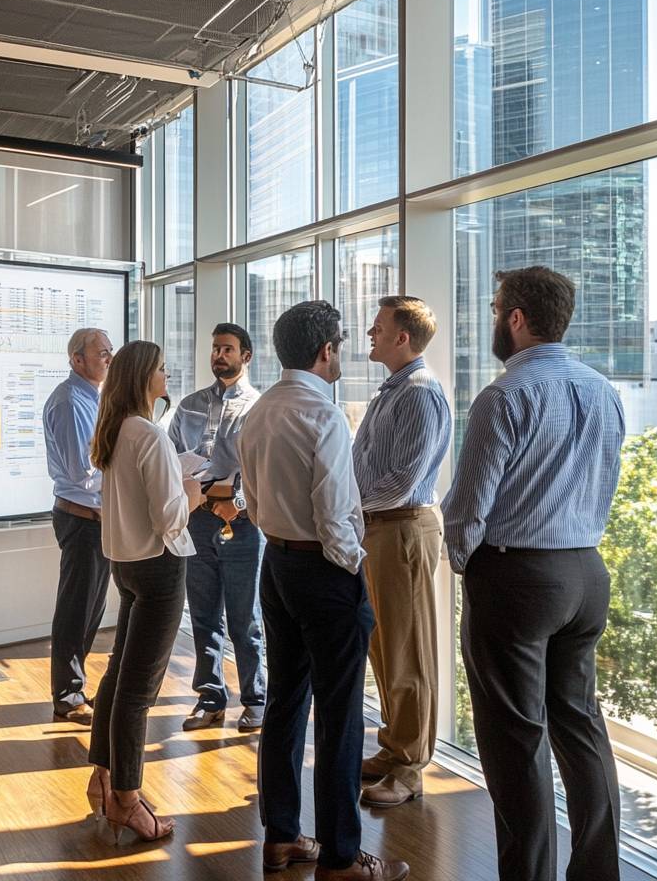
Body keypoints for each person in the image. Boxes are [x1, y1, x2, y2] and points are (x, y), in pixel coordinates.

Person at [442, 266, 625, 881]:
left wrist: (466, 564)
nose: (494, 318)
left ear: (516, 318)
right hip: (586, 573)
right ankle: (598, 873)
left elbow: (469, 506)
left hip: (516, 576)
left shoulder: (504, 395)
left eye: (497, 309)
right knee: (581, 726)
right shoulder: (604, 390)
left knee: (516, 741)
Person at [239, 301, 409, 881]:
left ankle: (282, 838)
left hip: (276, 564)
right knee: (340, 717)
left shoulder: (259, 410)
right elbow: (335, 516)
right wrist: (355, 567)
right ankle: (340, 858)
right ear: (325, 350)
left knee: (285, 702)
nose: (342, 354)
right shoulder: (324, 415)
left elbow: (253, 501)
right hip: (324, 571)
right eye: (339, 345)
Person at [84, 340, 203, 844]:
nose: (166, 375)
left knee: (118, 676)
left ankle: (103, 778)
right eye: (161, 369)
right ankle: (128, 801)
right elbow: (169, 518)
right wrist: (193, 492)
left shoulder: (114, 431)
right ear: (143, 378)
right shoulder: (149, 435)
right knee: (138, 692)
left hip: (127, 566)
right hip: (159, 568)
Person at [352, 296, 451, 809]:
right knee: (384, 646)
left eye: (378, 326)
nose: (370, 332)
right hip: (379, 528)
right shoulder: (393, 390)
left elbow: (403, 481)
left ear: (402, 337)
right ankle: (394, 748)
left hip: (403, 528)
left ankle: (410, 767)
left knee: (408, 651)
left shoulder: (419, 393)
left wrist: (346, 504)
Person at [169, 323, 266, 733]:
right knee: (204, 614)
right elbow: (171, 459)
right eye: (215, 349)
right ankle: (210, 699)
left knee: (246, 618)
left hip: (242, 524)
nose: (219, 356)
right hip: (197, 519)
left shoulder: (259, 408)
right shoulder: (189, 405)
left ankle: (256, 700)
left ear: (246, 356)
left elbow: (263, 469)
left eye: (227, 349)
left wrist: (236, 501)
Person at [42, 328, 114, 725]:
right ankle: (68, 697)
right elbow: (81, 471)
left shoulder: (94, 397)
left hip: (96, 520)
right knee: (76, 610)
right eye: (101, 353)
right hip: (81, 518)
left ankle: (75, 689)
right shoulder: (71, 401)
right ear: (77, 359)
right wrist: (126, 470)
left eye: (110, 351)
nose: (109, 359)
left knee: (90, 609)